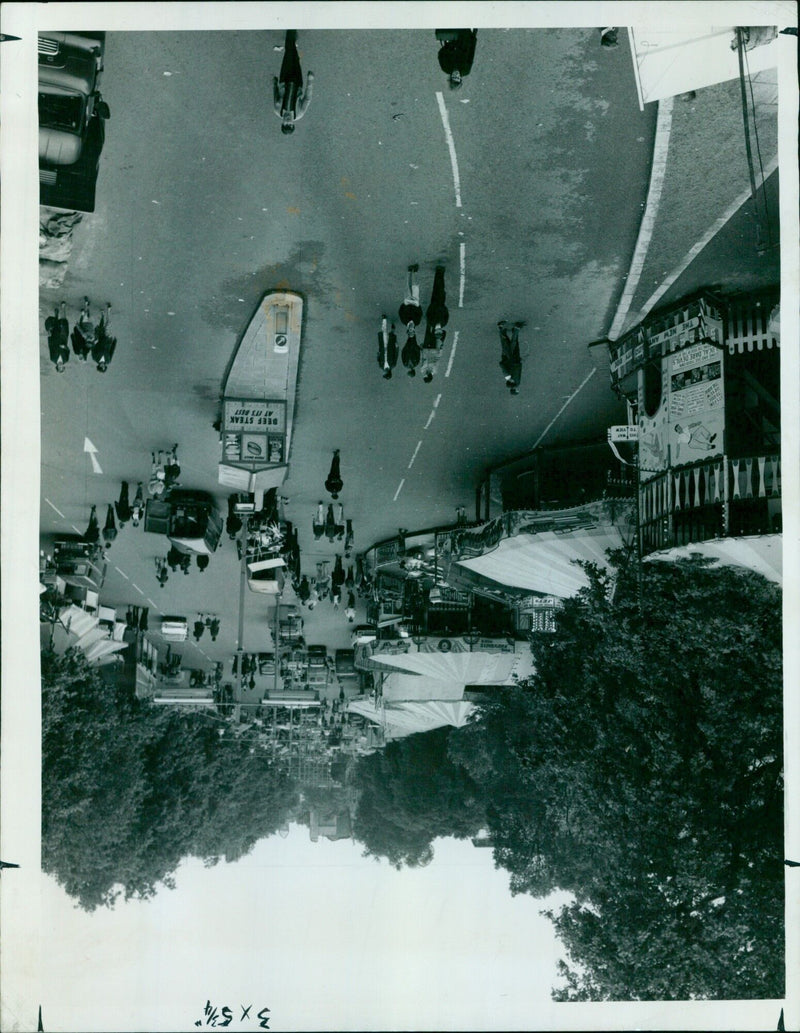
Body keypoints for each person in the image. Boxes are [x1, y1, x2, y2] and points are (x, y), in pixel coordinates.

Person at [273, 30, 315, 134]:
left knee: (289, 52)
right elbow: (307, 99)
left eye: (286, 124)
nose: (288, 122)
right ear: (293, 124)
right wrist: (310, 80)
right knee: (294, 57)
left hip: (284, 79)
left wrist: (274, 83)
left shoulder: (277, 110)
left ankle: (291, 33)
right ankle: (291, 37)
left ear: (282, 123)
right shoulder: (299, 113)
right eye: (290, 125)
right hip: (297, 81)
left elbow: (276, 95)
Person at [498, 321, 524, 394]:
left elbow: (502, 365)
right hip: (513, 359)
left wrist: (507, 360)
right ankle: (514, 329)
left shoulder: (508, 376)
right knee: (511, 343)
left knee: (507, 342)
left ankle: (515, 329)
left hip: (509, 357)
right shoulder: (511, 378)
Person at [425, 265, 449, 345]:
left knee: (435, 288)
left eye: (437, 332)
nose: (439, 331)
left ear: (435, 331)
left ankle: (437, 273)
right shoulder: (444, 323)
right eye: (440, 332)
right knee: (442, 288)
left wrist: (432, 305)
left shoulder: (431, 322)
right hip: (441, 303)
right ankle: (441, 273)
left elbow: (428, 314)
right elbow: (447, 314)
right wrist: (444, 307)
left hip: (434, 302)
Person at [45, 302, 70, 372]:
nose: (61, 366)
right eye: (62, 367)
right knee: (63, 322)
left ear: (57, 367)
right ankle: (63, 307)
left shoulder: (52, 359)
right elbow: (68, 350)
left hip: (55, 338)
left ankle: (56, 314)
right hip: (63, 338)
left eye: (60, 367)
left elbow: (50, 347)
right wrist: (64, 347)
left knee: (55, 325)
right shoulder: (66, 359)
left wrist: (49, 337)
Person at [91, 303, 116, 372]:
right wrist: (114, 341)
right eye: (104, 367)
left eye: (101, 366)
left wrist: (94, 342)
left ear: (98, 366)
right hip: (107, 340)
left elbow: (92, 349)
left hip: (99, 339)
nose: (102, 365)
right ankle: (109, 310)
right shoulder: (108, 360)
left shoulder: (95, 358)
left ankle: (102, 315)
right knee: (107, 324)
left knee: (100, 327)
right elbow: (112, 351)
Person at [71, 297, 95, 362]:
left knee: (82, 321)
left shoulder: (76, 351)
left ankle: (84, 311)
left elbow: (73, 344)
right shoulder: (86, 351)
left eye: (79, 357)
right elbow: (90, 345)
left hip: (78, 335)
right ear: (84, 356)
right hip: (84, 334)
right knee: (84, 320)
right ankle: (85, 308)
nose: (80, 356)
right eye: (82, 357)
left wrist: (72, 337)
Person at [377, 315, 398, 379]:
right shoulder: (393, 365)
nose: (383, 372)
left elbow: (378, 359)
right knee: (390, 336)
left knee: (384, 333)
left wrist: (378, 354)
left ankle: (384, 320)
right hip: (390, 347)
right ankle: (392, 330)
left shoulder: (381, 366)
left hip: (383, 347)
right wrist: (397, 347)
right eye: (385, 374)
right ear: (388, 373)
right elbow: (396, 355)